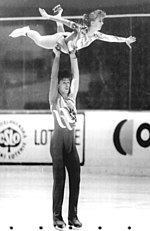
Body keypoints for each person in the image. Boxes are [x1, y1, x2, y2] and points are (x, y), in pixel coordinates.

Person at [9, 5, 136, 54]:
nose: (102, 23)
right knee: (39, 40)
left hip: (67, 43)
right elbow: (67, 22)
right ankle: (26, 31)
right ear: (92, 22)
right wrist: (49, 17)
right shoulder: (81, 29)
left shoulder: (96, 35)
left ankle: (58, 14)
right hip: (60, 40)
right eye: (100, 21)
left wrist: (125, 40)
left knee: (62, 32)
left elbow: (110, 38)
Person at [49, 44, 82, 230]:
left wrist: (73, 56)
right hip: (57, 144)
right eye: (64, 83)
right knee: (60, 179)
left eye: (68, 83)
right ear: (58, 86)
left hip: (70, 144)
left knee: (76, 178)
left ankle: (73, 216)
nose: (67, 85)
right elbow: (53, 78)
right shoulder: (54, 99)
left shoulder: (71, 98)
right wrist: (56, 57)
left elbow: (76, 77)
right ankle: (56, 217)